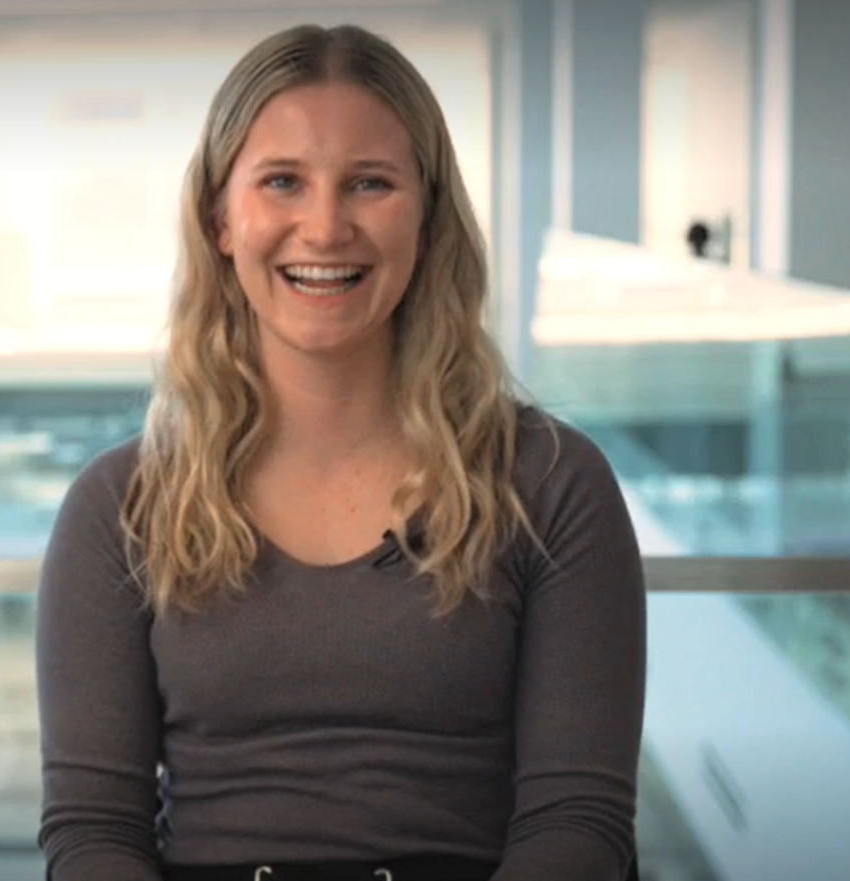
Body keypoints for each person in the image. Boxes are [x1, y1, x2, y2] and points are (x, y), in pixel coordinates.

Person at [36, 22, 646, 881]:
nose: (323, 228)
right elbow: (93, 833)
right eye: (281, 181)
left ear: (427, 220)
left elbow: (577, 822)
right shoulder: (119, 504)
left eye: (369, 183)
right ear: (219, 216)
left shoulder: (548, 483)